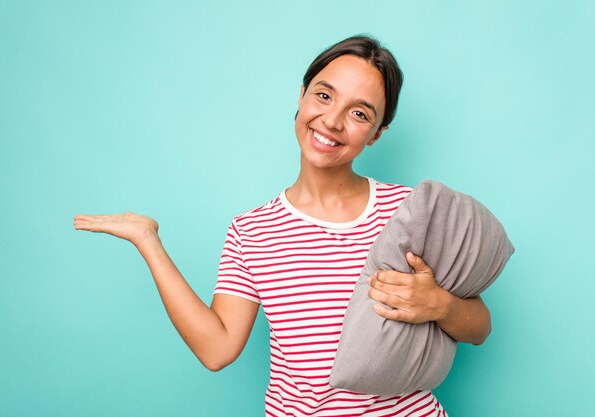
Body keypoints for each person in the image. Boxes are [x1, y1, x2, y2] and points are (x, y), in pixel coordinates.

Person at [74, 35, 491, 417]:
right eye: (324, 95)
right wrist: (149, 241)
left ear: (378, 134)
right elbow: (217, 349)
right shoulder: (251, 231)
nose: (331, 120)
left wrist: (441, 305)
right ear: (302, 95)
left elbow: (479, 327)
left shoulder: (409, 210)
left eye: (359, 113)